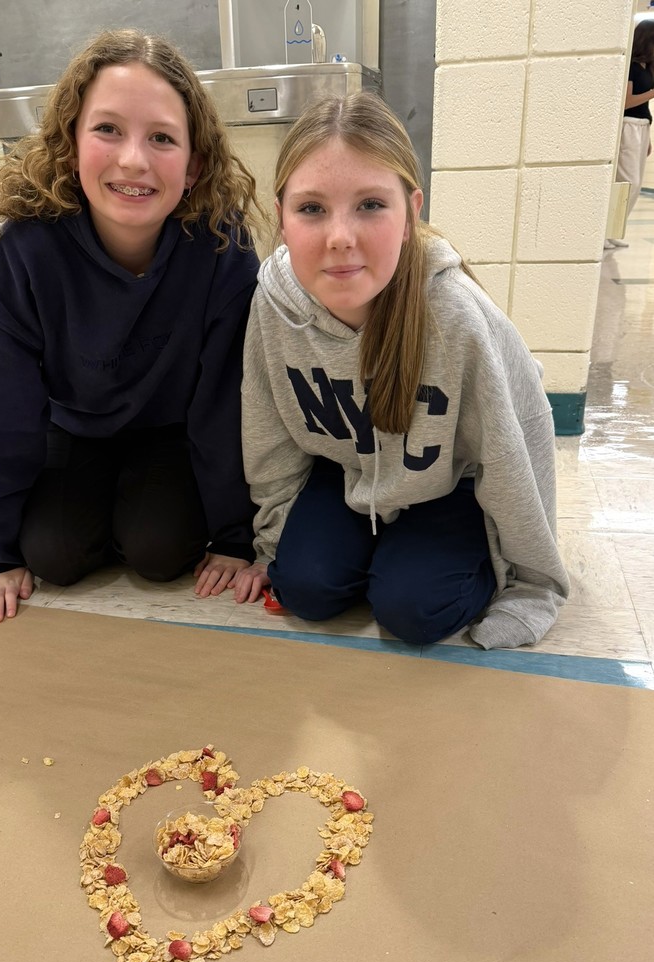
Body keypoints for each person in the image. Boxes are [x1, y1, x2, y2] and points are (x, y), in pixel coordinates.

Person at [233, 92, 569, 650]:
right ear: (282, 218)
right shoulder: (273, 303)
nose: (340, 236)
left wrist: (532, 583)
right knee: (306, 591)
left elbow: (520, 442)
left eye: (370, 205)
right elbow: (267, 432)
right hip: (346, 473)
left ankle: (413, 560)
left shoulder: (456, 315)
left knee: (414, 610)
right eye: (312, 208)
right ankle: (376, 550)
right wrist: (273, 546)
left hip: (449, 484)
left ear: (411, 213)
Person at [0, 29, 263, 623]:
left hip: (172, 433)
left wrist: (235, 537)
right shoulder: (28, 252)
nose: (133, 160)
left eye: (162, 138)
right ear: (71, 142)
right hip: (74, 429)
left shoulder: (221, 248)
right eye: (108, 129)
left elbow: (230, 405)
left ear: (194, 164)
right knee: (53, 555)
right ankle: (94, 515)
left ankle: (131, 515)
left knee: (160, 549)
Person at [606, 19, 654, 249]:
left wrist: (649, 138)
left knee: (632, 184)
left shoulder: (647, 68)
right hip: (629, 126)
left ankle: (613, 229)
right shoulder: (632, 68)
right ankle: (605, 231)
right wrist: (652, 93)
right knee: (629, 182)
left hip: (642, 126)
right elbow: (625, 102)